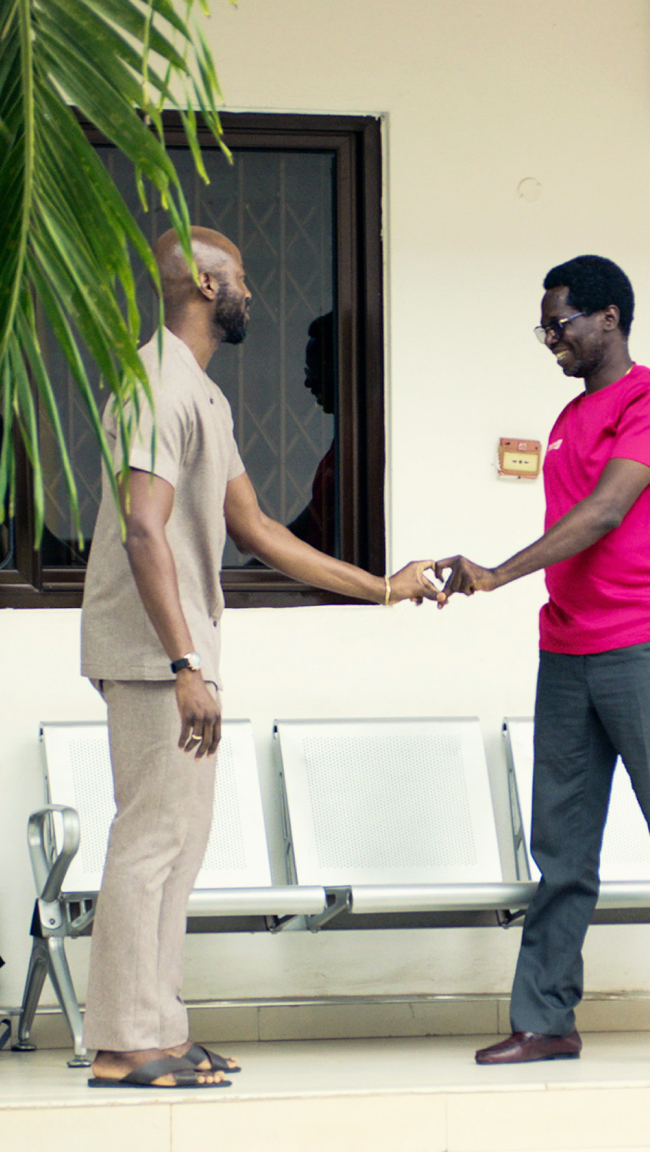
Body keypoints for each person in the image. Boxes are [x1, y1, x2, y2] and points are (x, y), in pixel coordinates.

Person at [80, 226, 439, 1089]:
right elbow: (142, 528)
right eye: (240, 279)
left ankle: (158, 1026)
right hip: (151, 654)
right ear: (205, 285)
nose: (252, 295)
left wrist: (383, 588)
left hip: (178, 654)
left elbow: (258, 530)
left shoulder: (200, 394)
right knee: (149, 843)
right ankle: (124, 1042)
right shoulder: (153, 386)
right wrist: (182, 664)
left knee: (180, 844)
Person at [436, 255, 650, 1068]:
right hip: (568, 650)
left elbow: (609, 508)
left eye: (561, 323)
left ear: (609, 316)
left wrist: (499, 572)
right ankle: (546, 1020)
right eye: (543, 327)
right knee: (562, 845)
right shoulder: (565, 419)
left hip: (646, 643)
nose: (551, 339)